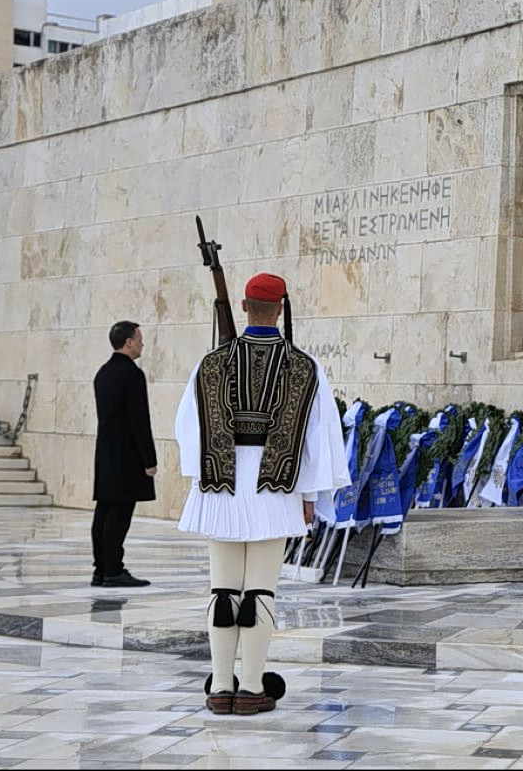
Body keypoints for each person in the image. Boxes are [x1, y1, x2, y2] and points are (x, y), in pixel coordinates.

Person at [174, 273, 348, 716]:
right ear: (281, 308)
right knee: (260, 592)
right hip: (276, 486)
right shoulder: (305, 366)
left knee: (223, 590)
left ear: (244, 307)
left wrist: (204, 478)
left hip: (221, 487)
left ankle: (220, 686)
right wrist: (310, 493)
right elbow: (319, 437)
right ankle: (251, 688)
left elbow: (187, 428)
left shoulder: (210, 362)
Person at [91, 320, 156, 588]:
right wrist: (149, 460)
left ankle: (101, 569)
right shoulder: (131, 374)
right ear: (128, 342)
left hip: (106, 453)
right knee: (118, 515)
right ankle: (113, 570)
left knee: (104, 512)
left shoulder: (103, 372)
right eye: (139, 339)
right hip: (127, 456)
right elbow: (139, 420)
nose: (142, 344)